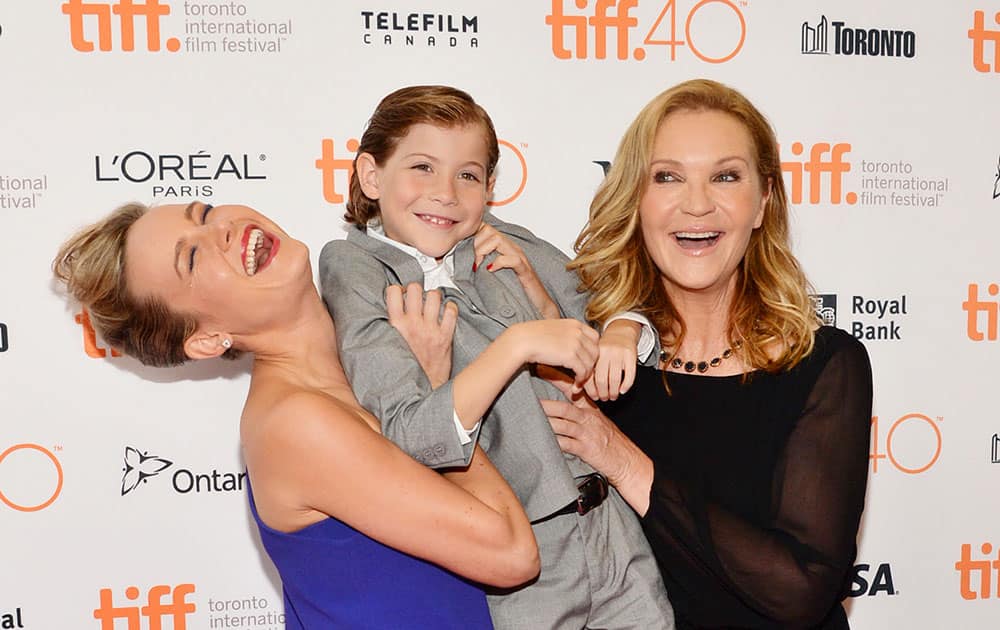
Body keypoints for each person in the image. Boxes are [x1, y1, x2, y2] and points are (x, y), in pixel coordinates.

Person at [52, 200, 542, 629]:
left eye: (203, 212)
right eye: (193, 257)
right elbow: (511, 553)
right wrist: (438, 397)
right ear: (204, 338)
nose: (218, 228)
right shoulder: (293, 424)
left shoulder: (374, 360)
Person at [320, 85, 674, 628]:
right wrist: (521, 343)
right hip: (525, 561)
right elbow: (413, 436)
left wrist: (621, 330)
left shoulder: (502, 239)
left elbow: (619, 299)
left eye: (468, 175)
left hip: (615, 530)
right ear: (371, 175)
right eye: (421, 167)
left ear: (489, 187)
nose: (445, 193)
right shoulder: (356, 269)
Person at [544, 79, 874, 630]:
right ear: (635, 199)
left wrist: (624, 462)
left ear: (763, 200)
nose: (696, 204)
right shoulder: (590, 357)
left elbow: (800, 592)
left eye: (725, 176)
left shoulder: (824, 365)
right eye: (668, 177)